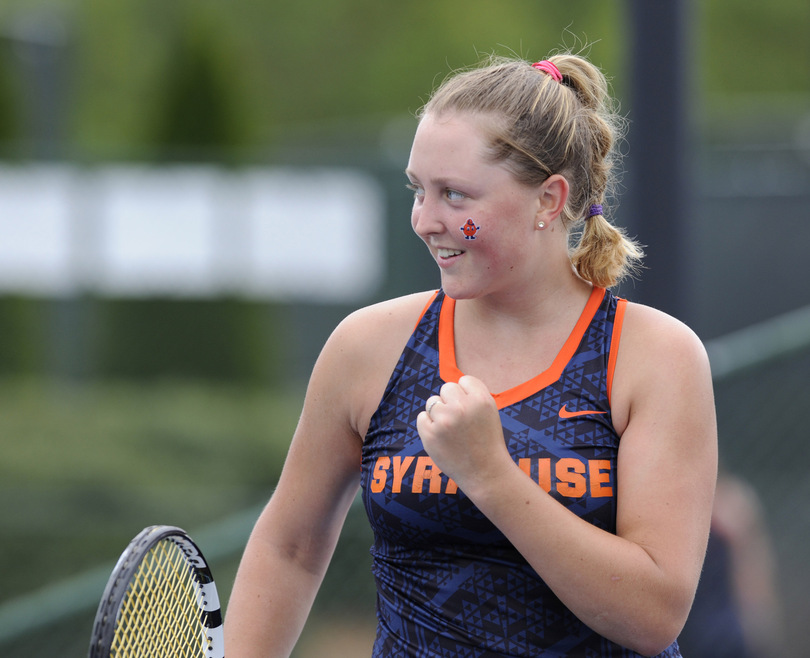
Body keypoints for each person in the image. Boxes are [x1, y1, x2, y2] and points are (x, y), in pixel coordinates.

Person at [224, 51, 718, 657]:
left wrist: (490, 475)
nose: (426, 220)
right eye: (418, 191)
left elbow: (653, 615)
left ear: (548, 199)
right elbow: (290, 547)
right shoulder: (367, 347)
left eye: (455, 195)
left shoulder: (655, 357)